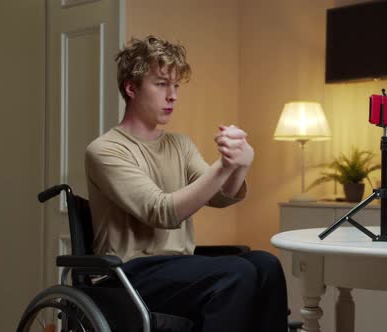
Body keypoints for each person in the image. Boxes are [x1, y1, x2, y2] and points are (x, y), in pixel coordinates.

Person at [85, 35, 288, 332]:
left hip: (177, 268)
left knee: (266, 265)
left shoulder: (180, 144)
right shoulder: (105, 150)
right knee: (237, 273)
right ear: (131, 88)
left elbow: (219, 196)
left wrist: (241, 165)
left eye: (176, 85)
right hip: (127, 275)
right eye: (161, 84)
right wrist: (224, 165)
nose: (173, 95)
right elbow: (162, 211)